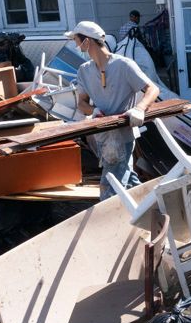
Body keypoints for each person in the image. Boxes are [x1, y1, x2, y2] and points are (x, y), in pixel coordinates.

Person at [68, 21, 160, 199]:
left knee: (109, 188)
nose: (76, 45)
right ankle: (151, 208)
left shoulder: (124, 65)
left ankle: (114, 224)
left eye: (77, 40)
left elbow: (152, 89)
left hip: (122, 135)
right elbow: (81, 103)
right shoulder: (84, 71)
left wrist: (140, 108)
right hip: (102, 135)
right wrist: (93, 111)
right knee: (129, 181)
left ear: (87, 41)